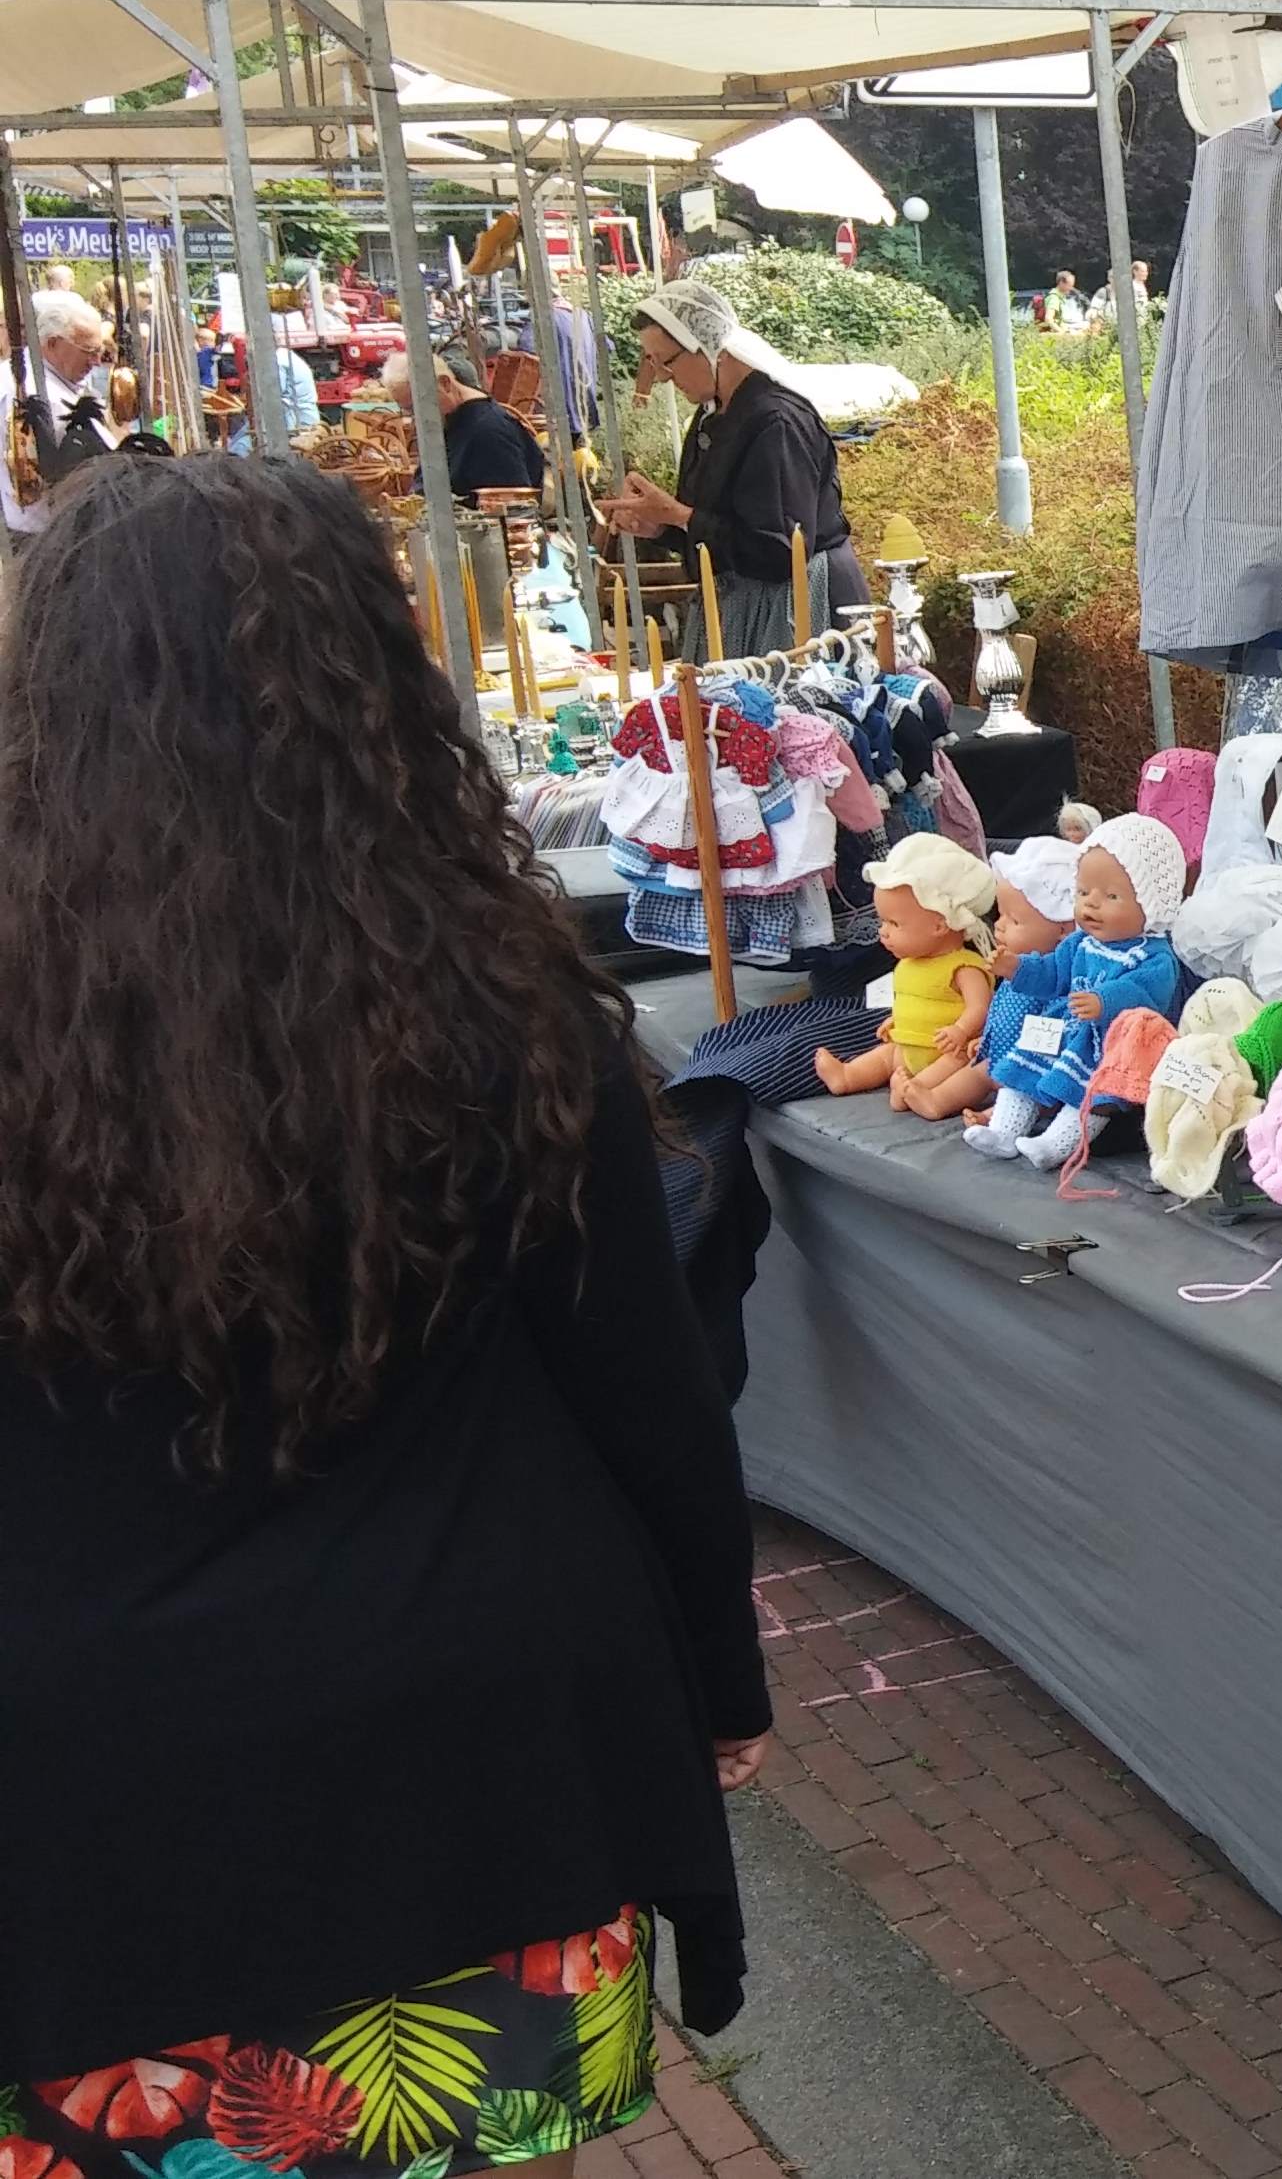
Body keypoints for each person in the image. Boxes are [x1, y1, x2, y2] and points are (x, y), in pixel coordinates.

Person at [0, 456, 772, 2175]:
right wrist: (716, 1679)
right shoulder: (494, 999)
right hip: (475, 1763)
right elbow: (647, 1394)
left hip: (88, 1807)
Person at [594, 278, 861, 655]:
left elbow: (781, 550)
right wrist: (662, 525)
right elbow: (721, 525)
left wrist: (681, 516)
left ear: (710, 348)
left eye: (667, 361)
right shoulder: (713, 414)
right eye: (652, 363)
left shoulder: (776, 422)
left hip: (798, 609)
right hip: (745, 606)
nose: (663, 376)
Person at [7, 287, 124, 531]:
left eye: (98, 351)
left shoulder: (60, 375)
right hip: (49, 530)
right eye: (88, 351)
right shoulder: (34, 392)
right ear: (52, 343)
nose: (96, 361)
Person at [388, 345, 549, 497]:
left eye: (415, 408)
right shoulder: (450, 422)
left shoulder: (489, 432)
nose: (414, 418)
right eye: (407, 410)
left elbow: (513, 505)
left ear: (445, 384)